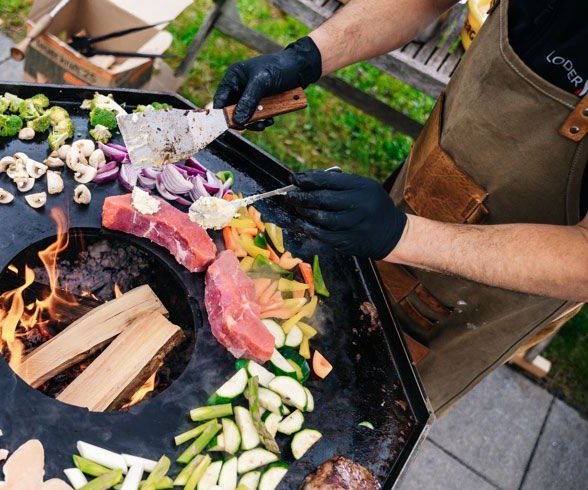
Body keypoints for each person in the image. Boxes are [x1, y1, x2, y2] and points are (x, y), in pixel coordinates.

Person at [213, 0, 588, 415]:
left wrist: (402, 235)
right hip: (431, 175)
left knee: (358, 408)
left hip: (492, 285)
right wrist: (306, 57)